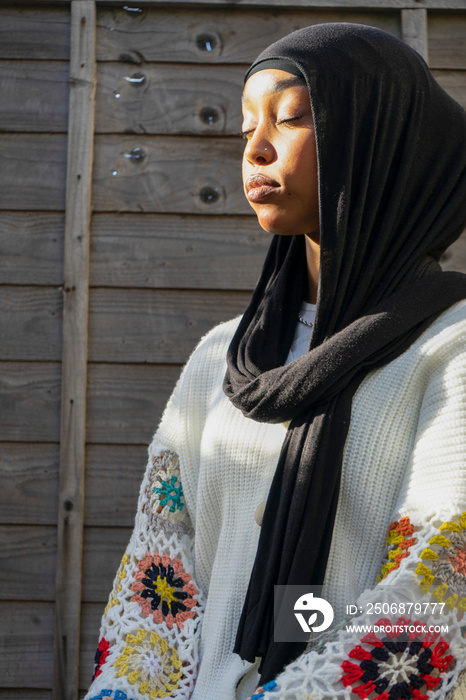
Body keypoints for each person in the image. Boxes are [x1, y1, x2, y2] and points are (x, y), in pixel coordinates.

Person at [84, 23, 466, 700]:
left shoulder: (452, 347)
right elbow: (159, 574)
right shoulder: (221, 359)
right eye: (244, 128)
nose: (255, 149)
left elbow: (442, 586)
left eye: (290, 119)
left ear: (380, 145)